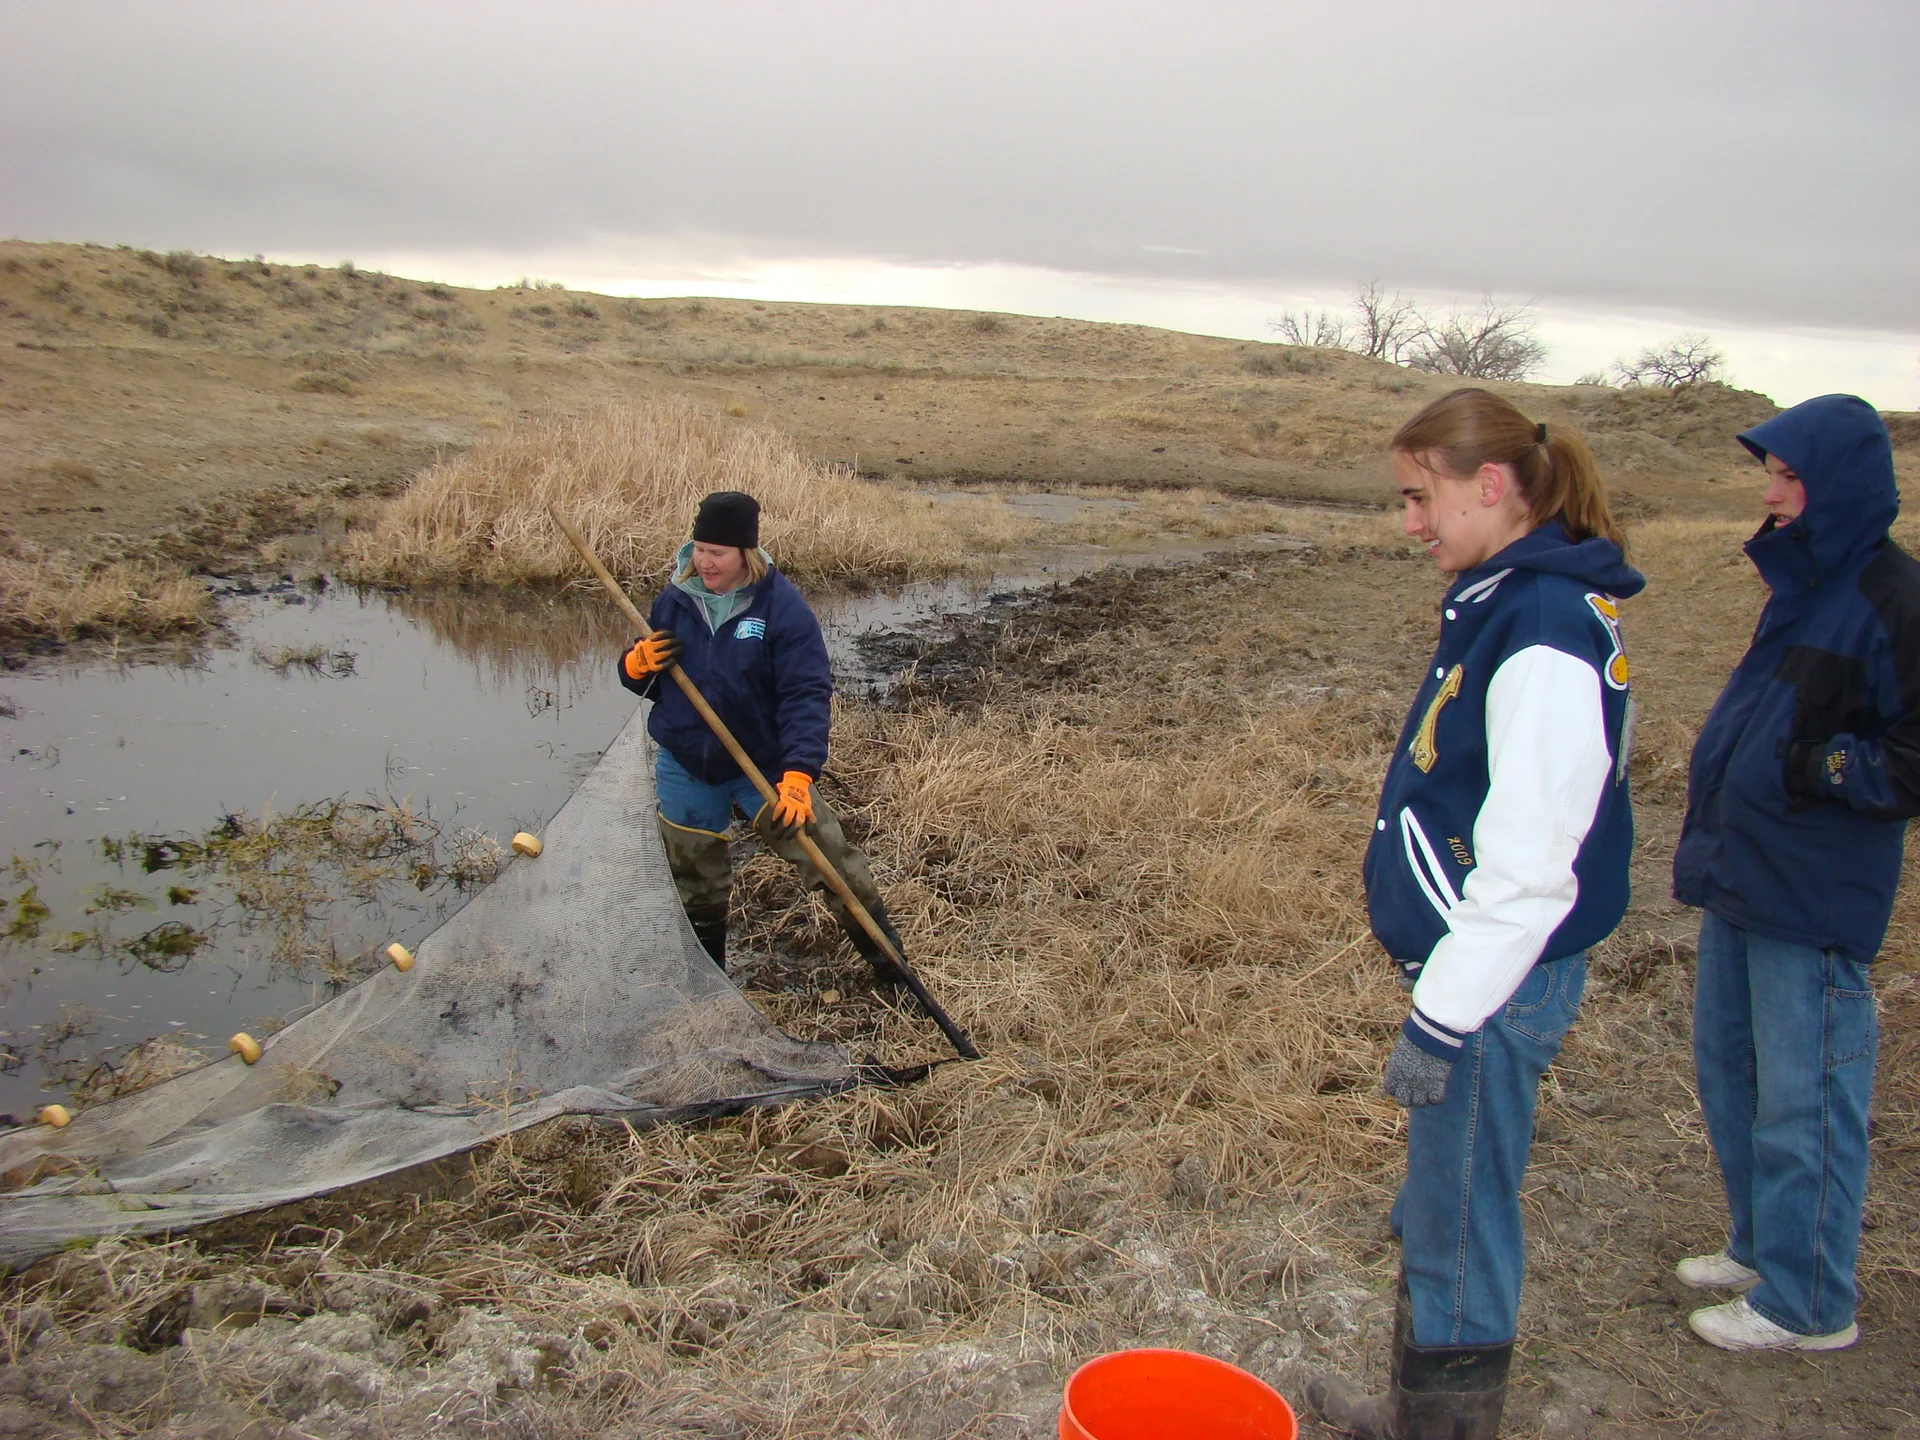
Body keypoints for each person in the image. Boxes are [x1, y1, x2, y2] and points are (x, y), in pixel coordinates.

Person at [1307, 389, 1642, 1440]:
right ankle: (1417, 1412)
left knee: (1458, 1213)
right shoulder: (1508, 594)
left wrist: (1442, 1017)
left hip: (1496, 982)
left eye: (1420, 497)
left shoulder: (1540, 627)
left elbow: (1535, 866)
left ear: (1489, 486)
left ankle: (1443, 1428)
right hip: (1482, 971)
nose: (1408, 522)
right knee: (1439, 1200)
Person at [1670, 395, 1915, 1352]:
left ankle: (1809, 1303)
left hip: (1812, 890)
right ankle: (1763, 1246)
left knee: (1806, 1092)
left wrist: (1823, 770)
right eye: (1770, 475)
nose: (1770, 493)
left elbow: (1910, 756)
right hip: (1746, 872)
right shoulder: (1803, 586)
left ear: (1837, 482)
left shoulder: (1895, 600)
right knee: (1732, 1071)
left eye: (1787, 476)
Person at [617, 489, 907, 985]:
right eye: (699, 549)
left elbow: (805, 693)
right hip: (688, 762)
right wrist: (633, 666)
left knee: (831, 861)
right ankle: (708, 985)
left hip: (765, 765)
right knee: (695, 878)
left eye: (717, 554)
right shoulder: (674, 601)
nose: (704, 563)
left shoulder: (781, 608)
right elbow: (656, 682)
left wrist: (797, 774)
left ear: (745, 553)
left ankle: (894, 972)